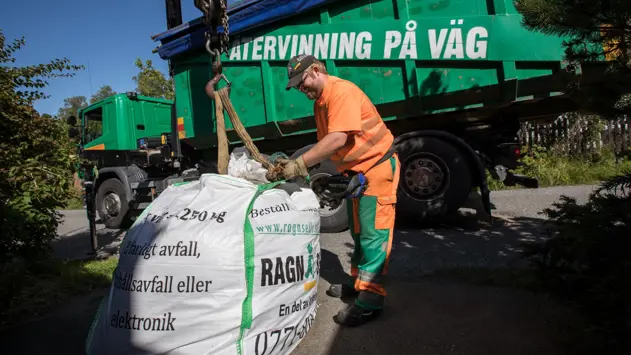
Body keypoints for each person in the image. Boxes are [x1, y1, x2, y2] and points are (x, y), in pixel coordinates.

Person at [278, 54, 400, 327]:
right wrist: (307, 166)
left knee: (374, 236)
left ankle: (370, 301)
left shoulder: (340, 92)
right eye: (296, 85)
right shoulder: (321, 103)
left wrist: (300, 164)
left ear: (317, 69)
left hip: (377, 168)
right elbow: (327, 145)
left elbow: (337, 138)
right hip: (359, 173)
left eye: (303, 81)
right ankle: (358, 284)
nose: (301, 88)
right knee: (358, 233)